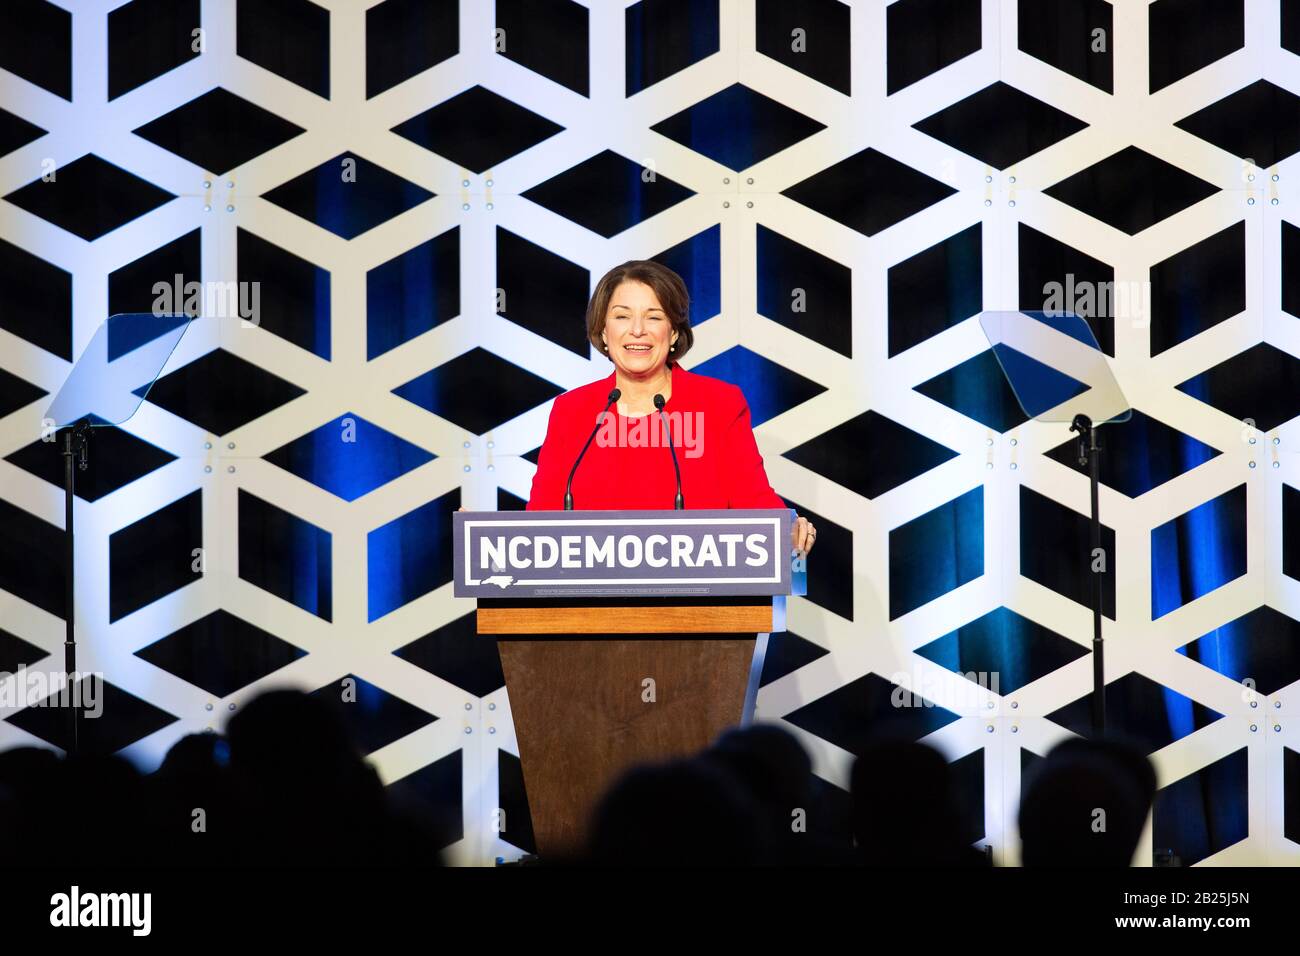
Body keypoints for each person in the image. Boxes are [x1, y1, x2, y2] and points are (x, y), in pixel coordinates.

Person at [526, 260, 817, 556]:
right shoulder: (572, 410)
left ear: (674, 332)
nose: (637, 330)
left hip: (701, 599)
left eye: (654, 317)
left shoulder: (718, 405)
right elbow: (539, 520)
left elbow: (753, 500)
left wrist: (787, 531)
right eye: (622, 317)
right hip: (586, 598)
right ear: (603, 331)